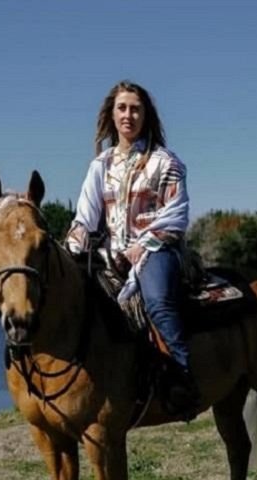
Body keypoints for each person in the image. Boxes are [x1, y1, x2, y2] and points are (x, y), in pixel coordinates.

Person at [65, 81, 199, 415]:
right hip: (111, 254)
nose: (128, 115)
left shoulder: (166, 162)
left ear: (146, 115)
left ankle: (182, 380)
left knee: (157, 300)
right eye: (122, 108)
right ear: (112, 115)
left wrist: (143, 245)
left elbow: (176, 215)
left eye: (135, 109)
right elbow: (85, 217)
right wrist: (73, 246)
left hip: (158, 249)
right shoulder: (101, 165)